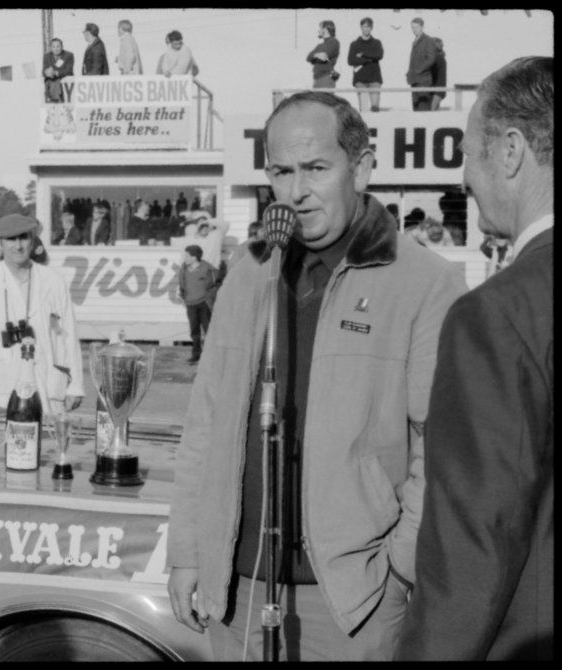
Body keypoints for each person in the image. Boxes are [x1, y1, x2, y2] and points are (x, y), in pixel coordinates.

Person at [166, 91, 467, 661]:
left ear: (362, 168)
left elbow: (443, 447)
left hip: (353, 604)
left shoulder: (426, 283)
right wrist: (187, 551)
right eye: (281, 171)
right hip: (234, 593)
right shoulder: (249, 271)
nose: (296, 192)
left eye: (315, 169)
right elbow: (204, 422)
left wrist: (398, 574)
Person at [396, 56, 554, 662]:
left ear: (510, 151)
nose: (463, 176)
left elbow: (472, 545)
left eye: (467, 151)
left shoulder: (496, 315)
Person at [0, 213, 84, 412]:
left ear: (32, 240)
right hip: (0, 391)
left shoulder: (53, 281)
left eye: (23, 238)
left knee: (48, 440)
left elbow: (68, 334)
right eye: (11, 239)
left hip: (47, 386)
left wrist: (75, 385)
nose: (18, 246)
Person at [177, 244, 218, 364]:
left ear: (195, 257)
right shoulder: (184, 268)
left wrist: (211, 298)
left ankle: (212, 355)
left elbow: (216, 284)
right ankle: (196, 354)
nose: (185, 258)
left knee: (208, 329)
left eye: (187, 256)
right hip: (190, 304)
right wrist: (182, 295)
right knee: (194, 331)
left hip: (204, 303)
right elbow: (182, 282)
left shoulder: (207, 268)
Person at [348, 17, 384, 112]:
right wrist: (369, 60)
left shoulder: (377, 43)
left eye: (369, 27)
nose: (366, 29)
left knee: (375, 109)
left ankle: (375, 126)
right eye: (364, 26)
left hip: (374, 79)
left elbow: (379, 55)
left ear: (372, 28)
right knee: (364, 110)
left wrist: (363, 54)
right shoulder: (354, 44)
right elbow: (351, 60)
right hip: (360, 80)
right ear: (361, 27)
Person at [406, 17, 438, 111]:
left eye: (416, 27)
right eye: (412, 27)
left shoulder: (428, 40)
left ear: (422, 27)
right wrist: (409, 74)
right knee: (415, 110)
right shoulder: (415, 42)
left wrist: (418, 70)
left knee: (423, 110)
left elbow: (431, 59)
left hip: (424, 81)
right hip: (414, 81)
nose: (414, 30)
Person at [306, 20, 340, 89]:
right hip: (317, 79)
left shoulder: (333, 41)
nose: (318, 31)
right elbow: (308, 57)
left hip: (326, 78)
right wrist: (316, 55)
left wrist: (315, 56)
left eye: (320, 29)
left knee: (325, 99)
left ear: (326, 29)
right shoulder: (319, 45)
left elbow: (324, 55)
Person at [43, 37, 75, 103]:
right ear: (51, 48)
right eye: (54, 47)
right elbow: (43, 71)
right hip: (52, 83)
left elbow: (68, 70)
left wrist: (56, 73)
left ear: (62, 46)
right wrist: (47, 72)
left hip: (66, 84)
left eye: (58, 46)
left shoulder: (69, 55)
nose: (56, 49)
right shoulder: (46, 56)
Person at [430, 37, 447, 111]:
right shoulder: (441, 57)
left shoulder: (437, 58)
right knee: (435, 111)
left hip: (438, 90)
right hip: (440, 90)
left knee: (432, 111)